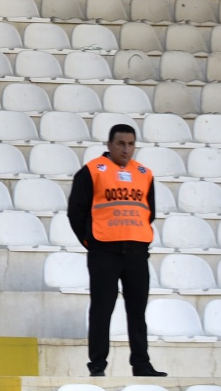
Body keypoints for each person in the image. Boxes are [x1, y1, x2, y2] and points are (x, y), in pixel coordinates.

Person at [68, 124, 166, 379]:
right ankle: (97, 365)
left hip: (136, 251)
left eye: (131, 144)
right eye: (121, 144)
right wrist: (90, 241)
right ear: (110, 145)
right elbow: (76, 212)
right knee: (102, 309)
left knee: (137, 310)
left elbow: (149, 211)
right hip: (104, 251)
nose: (126, 149)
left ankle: (142, 364)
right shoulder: (91, 171)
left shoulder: (145, 173)